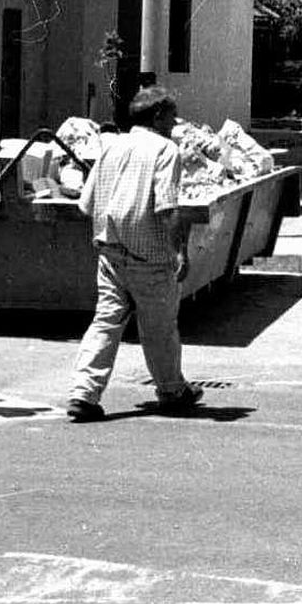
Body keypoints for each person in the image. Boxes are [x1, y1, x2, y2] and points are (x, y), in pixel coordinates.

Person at [65, 85, 203, 423]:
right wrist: (180, 251)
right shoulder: (165, 150)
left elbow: (86, 203)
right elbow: (167, 207)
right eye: (171, 117)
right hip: (150, 258)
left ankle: (84, 392)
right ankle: (171, 389)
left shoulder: (111, 145)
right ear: (157, 116)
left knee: (106, 321)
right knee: (159, 328)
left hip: (110, 255)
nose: (174, 124)